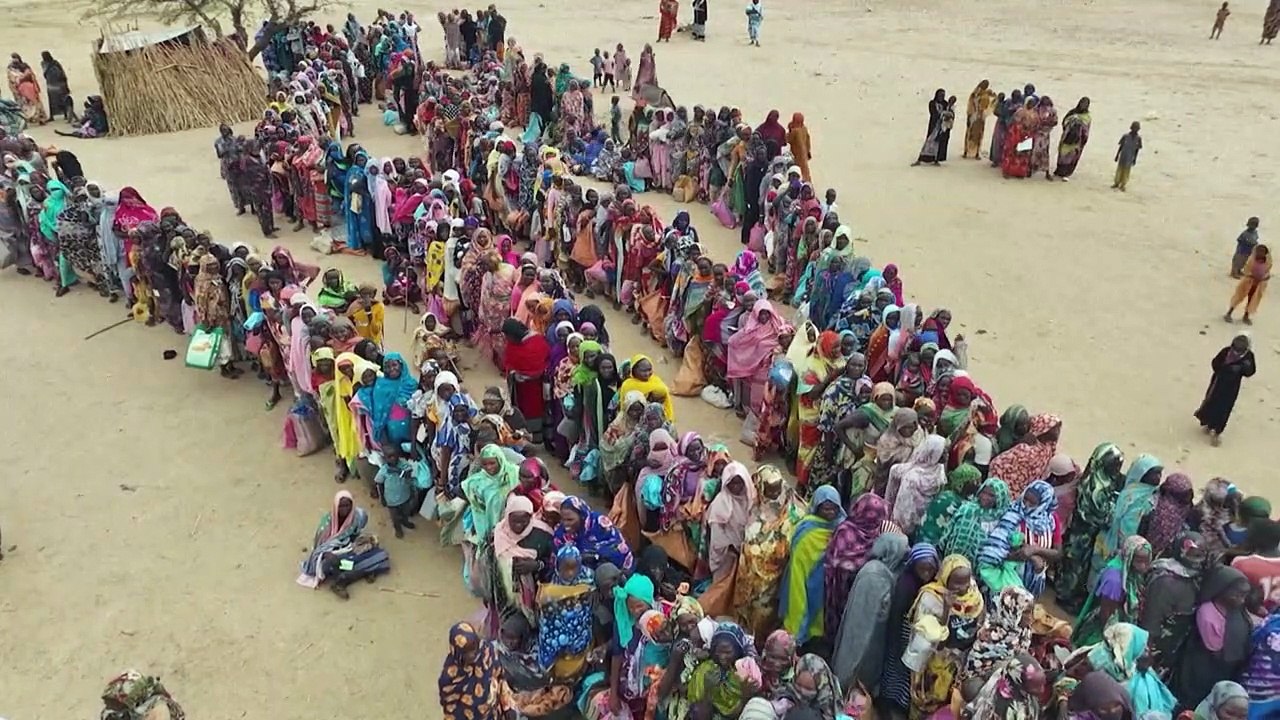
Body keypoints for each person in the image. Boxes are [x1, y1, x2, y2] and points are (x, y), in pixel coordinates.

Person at [908, 554, 984, 720]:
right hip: (933, 662)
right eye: (957, 582)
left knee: (948, 704)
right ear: (944, 577)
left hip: (958, 663)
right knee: (927, 700)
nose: (963, 587)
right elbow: (933, 640)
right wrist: (946, 611)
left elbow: (979, 619)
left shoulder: (973, 594)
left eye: (966, 581)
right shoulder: (931, 598)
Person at [733, 464, 805, 638]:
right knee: (750, 620)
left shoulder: (794, 515)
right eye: (769, 490)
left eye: (777, 489)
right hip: (750, 581)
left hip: (775, 584)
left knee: (767, 621)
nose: (774, 494)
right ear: (760, 487)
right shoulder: (753, 507)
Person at [832, 532, 909, 693]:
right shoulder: (875, 576)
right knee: (856, 663)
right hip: (865, 632)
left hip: (872, 632)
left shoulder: (881, 571)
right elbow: (867, 618)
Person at [1056, 442, 1126, 611]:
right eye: (1115, 464)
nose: (1118, 468)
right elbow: (1105, 517)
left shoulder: (1101, 477)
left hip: (1088, 533)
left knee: (1078, 567)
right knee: (1075, 567)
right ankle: (1066, 599)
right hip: (1083, 534)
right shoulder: (1095, 489)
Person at [1172, 567, 1254, 710]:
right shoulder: (1207, 613)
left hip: (1229, 668)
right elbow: (1215, 649)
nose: (1241, 600)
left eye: (1244, 596)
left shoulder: (1237, 611)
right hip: (1207, 668)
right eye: (1237, 595)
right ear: (1221, 590)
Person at [780, 485, 845, 644]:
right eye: (825, 509)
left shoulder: (843, 527)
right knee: (803, 605)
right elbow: (798, 560)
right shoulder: (806, 529)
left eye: (833, 509)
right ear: (816, 508)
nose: (830, 513)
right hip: (805, 580)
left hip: (828, 585)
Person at [1140, 531, 1206, 669]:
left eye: (1201, 556)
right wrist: (1147, 651)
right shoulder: (1165, 581)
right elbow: (1152, 620)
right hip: (1158, 646)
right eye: (1194, 556)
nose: (1198, 561)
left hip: (1177, 643)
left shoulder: (1197, 575)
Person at [1074, 535, 1153, 646]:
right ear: (1128, 556)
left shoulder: (1131, 573)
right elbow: (1105, 615)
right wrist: (1112, 641)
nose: (1144, 567)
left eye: (1147, 561)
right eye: (1139, 561)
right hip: (1103, 632)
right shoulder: (1115, 581)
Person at [439, 622, 511, 720]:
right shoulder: (449, 678)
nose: (472, 654)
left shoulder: (487, 653)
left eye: (474, 648)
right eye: (466, 652)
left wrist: (508, 707)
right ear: (456, 651)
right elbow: (450, 711)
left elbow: (500, 678)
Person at [1195, 332, 1257, 446]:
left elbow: (1251, 371)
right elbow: (1215, 363)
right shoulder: (1226, 351)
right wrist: (1224, 368)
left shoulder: (1248, 357)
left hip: (1232, 387)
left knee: (1225, 408)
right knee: (1211, 402)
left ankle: (1217, 432)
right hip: (1218, 382)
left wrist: (1242, 368)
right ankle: (1208, 424)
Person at [501, 318, 550, 445]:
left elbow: (543, 361)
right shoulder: (513, 344)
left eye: (508, 336)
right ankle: (525, 436)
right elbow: (509, 361)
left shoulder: (537, 341)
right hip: (520, 388)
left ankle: (538, 436)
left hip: (536, 386)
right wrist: (513, 374)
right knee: (523, 411)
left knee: (536, 410)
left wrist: (525, 374)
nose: (507, 339)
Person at [1225, 246, 1271, 325]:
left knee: (1252, 300)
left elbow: (1267, 272)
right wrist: (1252, 276)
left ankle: (1246, 316)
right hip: (1247, 283)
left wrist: (1264, 278)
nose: (1261, 253)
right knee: (1239, 297)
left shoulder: (1267, 262)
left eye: (1263, 251)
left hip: (1258, 285)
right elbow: (1247, 270)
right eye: (1259, 251)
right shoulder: (1251, 260)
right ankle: (1229, 313)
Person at [1054, 97, 1092, 180]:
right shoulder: (1072, 112)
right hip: (1067, 137)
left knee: (1072, 157)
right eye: (1082, 104)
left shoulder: (1087, 117)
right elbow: (1064, 122)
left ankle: (1066, 173)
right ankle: (1059, 170)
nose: (1083, 106)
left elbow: (1087, 128)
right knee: (1063, 155)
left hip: (1078, 141)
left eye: (1085, 104)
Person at [913, 89, 950, 166]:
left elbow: (949, 113)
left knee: (938, 144)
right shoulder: (932, 103)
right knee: (929, 142)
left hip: (941, 128)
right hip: (934, 126)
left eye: (943, 95)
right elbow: (933, 113)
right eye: (940, 95)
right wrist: (942, 115)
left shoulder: (945, 104)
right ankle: (920, 159)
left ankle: (936, 159)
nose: (941, 97)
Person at [963, 80, 996, 159]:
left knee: (974, 134)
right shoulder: (978, 94)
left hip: (976, 116)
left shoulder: (977, 93)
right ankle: (972, 152)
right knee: (975, 134)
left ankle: (969, 151)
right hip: (978, 117)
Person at [40, 52, 74, 123]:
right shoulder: (49, 63)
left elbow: (60, 72)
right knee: (53, 100)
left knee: (61, 99)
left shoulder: (53, 63)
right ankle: (54, 115)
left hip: (55, 84)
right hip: (53, 84)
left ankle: (64, 114)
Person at [1112, 121, 1142, 191]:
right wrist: (1117, 155)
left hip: (1130, 157)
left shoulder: (1138, 139)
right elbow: (1121, 146)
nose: (1135, 130)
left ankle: (1123, 184)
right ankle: (1116, 183)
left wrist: (1135, 159)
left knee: (1126, 171)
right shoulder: (1125, 136)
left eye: (1136, 128)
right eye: (1134, 128)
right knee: (1119, 169)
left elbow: (1137, 150)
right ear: (1131, 128)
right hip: (1123, 155)